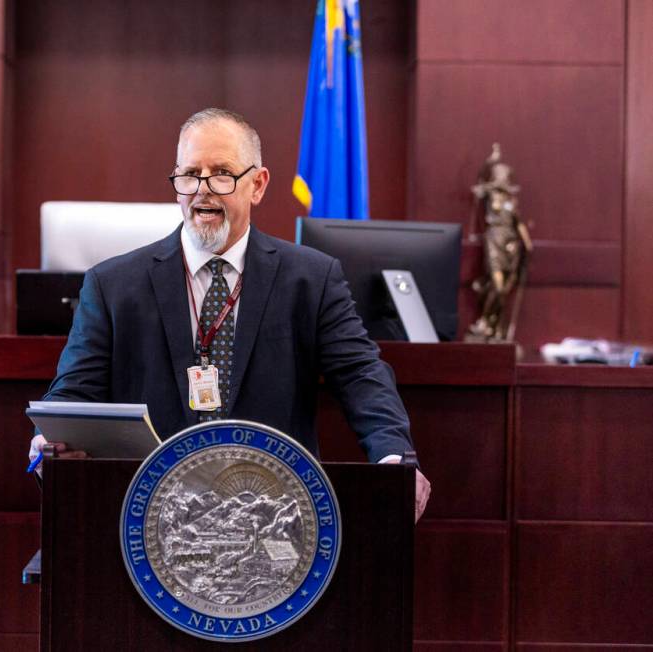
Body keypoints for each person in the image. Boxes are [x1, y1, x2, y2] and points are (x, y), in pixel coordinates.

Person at [31, 108, 430, 521]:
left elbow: (361, 375)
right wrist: (48, 438)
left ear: (257, 185)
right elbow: (71, 396)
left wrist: (393, 458)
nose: (203, 190)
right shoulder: (112, 285)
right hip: (147, 516)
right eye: (190, 174)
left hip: (272, 517)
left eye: (222, 173)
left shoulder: (310, 280)